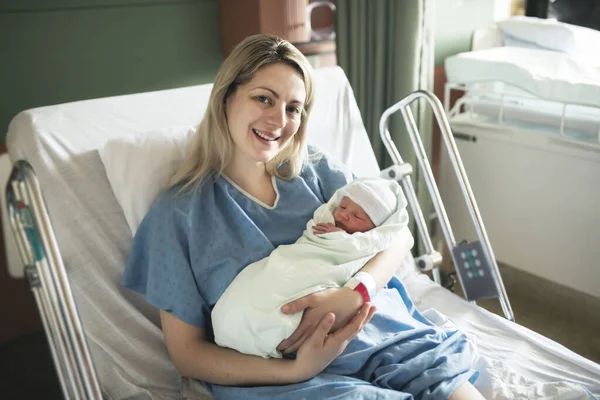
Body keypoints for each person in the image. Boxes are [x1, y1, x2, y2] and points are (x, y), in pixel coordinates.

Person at [122, 34, 485, 399]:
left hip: (377, 330)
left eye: (293, 108)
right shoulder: (178, 214)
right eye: (263, 98)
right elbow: (188, 354)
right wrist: (297, 369)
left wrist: (355, 293)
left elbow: (398, 234)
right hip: (286, 377)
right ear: (227, 97)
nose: (278, 120)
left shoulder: (315, 169)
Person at [212, 178, 412, 358]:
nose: (344, 215)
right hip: (292, 265)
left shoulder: (323, 170)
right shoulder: (192, 208)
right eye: (342, 206)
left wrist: (355, 292)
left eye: (357, 216)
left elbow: (399, 237)